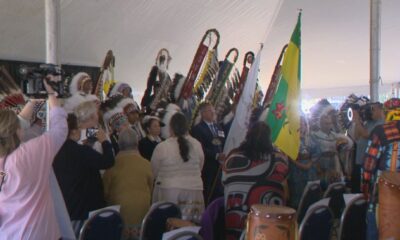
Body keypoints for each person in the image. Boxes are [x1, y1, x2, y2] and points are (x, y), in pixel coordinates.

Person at [0, 82, 68, 239]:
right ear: (17, 130)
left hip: (8, 233)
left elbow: (14, 125)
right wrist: (51, 94)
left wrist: (33, 101)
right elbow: (60, 129)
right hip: (39, 232)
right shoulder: (30, 153)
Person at [222, 122, 289, 240]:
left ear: (248, 136)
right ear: (269, 139)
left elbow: (224, 183)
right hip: (268, 227)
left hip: (234, 223)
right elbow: (285, 193)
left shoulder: (232, 158)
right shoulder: (279, 160)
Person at [53, 113, 115, 236]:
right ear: (74, 131)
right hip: (84, 209)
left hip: (65, 207)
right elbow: (108, 161)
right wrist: (104, 141)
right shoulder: (80, 151)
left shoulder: (54, 150)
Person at [151, 112, 204, 222]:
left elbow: (154, 171)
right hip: (194, 191)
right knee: (191, 228)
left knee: (169, 227)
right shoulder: (197, 144)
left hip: (170, 191)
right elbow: (200, 167)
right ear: (186, 127)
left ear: (170, 128)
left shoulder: (162, 147)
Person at [103, 128, 153, 240]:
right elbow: (150, 188)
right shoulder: (146, 164)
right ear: (137, 143)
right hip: (142, 216)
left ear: (119, 144)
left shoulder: (112, 165)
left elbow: (105, 192)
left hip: (118, 216)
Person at [362, 98, 400, 239]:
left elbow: (368, 167)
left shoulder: (382, 131)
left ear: (386, 113)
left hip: (383, 200)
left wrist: (366, 193)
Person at [191, 102, 225, 205]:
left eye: (213, 110)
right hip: (207, 166)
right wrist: (215, 155)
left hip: (219, 166)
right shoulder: (197, 129)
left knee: (218, 191)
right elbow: (200, 148)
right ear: (203, 113)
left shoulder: (218, 127)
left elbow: (221, 142)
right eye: (210, 111)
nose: (213, 113)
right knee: (207, 192)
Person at [351, 102, 384, 193]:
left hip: (369, 163)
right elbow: (356, 136)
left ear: (380, 110)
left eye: (373, 109)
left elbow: (367, 134)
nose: (370, 111)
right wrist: (358, 121)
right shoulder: (369, 123)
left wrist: (357, 120)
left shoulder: (380, 123)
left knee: (366, 190)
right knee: (357, 189)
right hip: (360, 160)